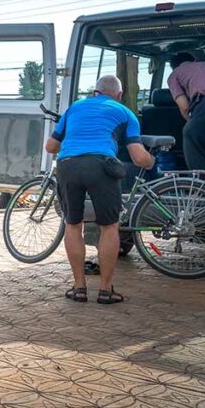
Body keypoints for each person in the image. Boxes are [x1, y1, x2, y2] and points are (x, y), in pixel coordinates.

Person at [45, 75, 154, 305]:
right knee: (109, 226)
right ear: (119, 95)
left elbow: (50, 146)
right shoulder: (125, 113)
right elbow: (138, 157)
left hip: (68, 165)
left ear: (95, 92)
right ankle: (105, 290)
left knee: (73, 224)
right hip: (101, 166)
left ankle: (78, 288)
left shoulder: (74, 108)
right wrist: (152, 162)